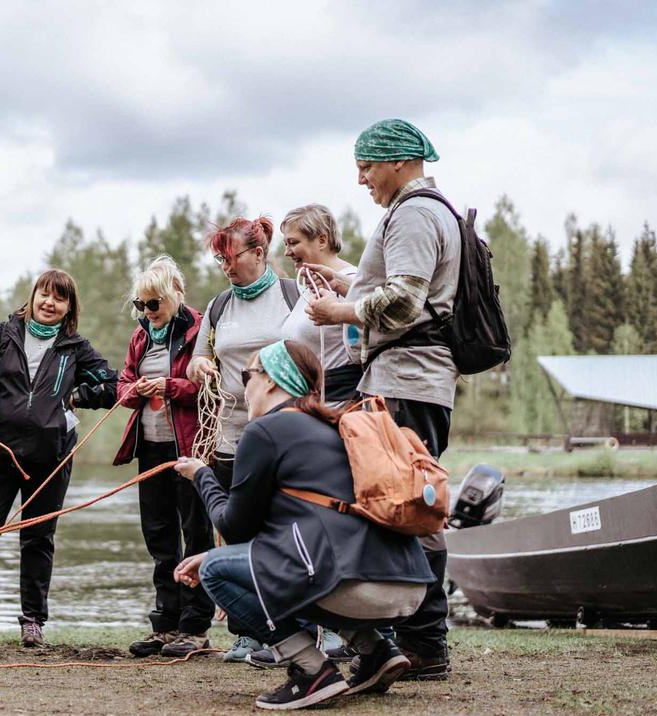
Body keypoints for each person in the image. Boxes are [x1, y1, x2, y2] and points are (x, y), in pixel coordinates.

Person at [173, 340, 435, 710]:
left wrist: (201, 476)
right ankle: (377, 650)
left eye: (248, 375)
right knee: (287, 568)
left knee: (216, 569)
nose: (243, 386)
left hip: (352, 586)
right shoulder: (337, 426)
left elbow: (234, 529)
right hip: (407, 588)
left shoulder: (265, 432)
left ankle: (312, 671)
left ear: (271, 381)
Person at [306, 118, 459, 679]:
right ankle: (412, 638)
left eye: (366, 166)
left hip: (407, 379)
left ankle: (423, 643)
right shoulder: (423, 210)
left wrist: (339, 311)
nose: (362, 179)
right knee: (398, 500)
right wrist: (349, 285)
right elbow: (400, 295)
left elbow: (403, 303)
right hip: (410, 377)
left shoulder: (415, 213)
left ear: (397, 161)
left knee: (405, 503)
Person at [0, 269, 119, 648]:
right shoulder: (1, 336)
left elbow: (113, 385)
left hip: (51, 457)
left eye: (59, 298)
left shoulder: (76, 347)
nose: (49, 303)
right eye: (44, 294)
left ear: (69, 307)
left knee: (38, 539)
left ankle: (33, 621)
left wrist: (77, 398)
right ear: (33, 295)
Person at [187, 216, 299, 662]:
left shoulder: (291, 295)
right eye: (220, 260)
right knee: (234, 530)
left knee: (283, 529)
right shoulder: (218, 306)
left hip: (285, 434)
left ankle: (297, 627)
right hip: (231, 434)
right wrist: (200, 369)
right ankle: (247, 630)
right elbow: (199, 359)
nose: (226, 268)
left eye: (232, 259)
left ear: (259, 252)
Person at [113, 256, 214, 658]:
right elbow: (121, 384)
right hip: (150, 446)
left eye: (154, 303)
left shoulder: (200, 328)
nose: (147, 312)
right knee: (159, 535)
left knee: (196, 532)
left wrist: (169, 385)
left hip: (189, 446)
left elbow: (208, 386)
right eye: (141, 305)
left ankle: (196, 627)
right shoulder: (140, 337)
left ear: (176, 294)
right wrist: (133, 390)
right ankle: (166, 624)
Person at [280, 204, 360, 407]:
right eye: (285, 244)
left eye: (293, 243)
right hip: (308, 404)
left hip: (339, 406)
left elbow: (360, 348)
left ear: (322, 240)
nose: (287, 252)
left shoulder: (354, 283)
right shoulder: (307, 287)